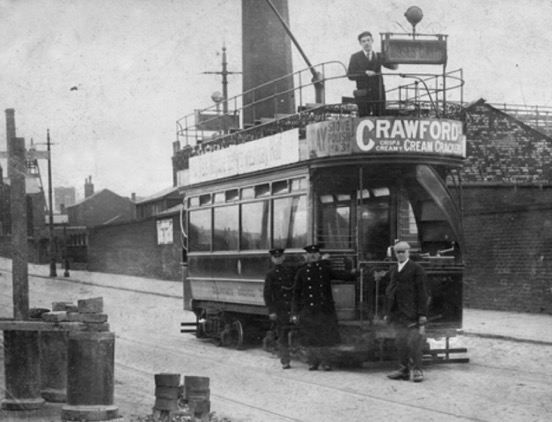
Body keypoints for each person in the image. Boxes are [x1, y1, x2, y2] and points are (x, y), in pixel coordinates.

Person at [291, 244, 356, 371]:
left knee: (326, 337)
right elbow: (296, 293)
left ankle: (326, 362)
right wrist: (294, 313)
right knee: (311, 338)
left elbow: (341, 275)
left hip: (324, 310)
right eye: (310, 254)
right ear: (307, 256)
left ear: (319, 255)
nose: (313, 255)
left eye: (315, 253)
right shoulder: (302, 272)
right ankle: (313, 362)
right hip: (309, 310)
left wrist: (354, 272)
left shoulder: (325, 269)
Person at [384, 241, 429, 383]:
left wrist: (422, 313)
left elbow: (423, 293)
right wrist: (388, 312)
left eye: (403, 251)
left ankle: (417, 370)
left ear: (408, 252)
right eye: (398, 252)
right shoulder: (394, 270)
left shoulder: (417, 269)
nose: (401, 254)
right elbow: (390, 292)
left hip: (412, 313)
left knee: (414, 342)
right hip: (398, 313)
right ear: (395, 254)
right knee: (400, 342)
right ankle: (403, 370)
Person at [347, 31, 398, 117]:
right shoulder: (355, 57)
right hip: (363, 94)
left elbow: (394, 66)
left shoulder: (378, 56)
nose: (366, 43)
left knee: (380, 116)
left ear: (372, 41)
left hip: (378, 93)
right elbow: (350, 75)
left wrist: (391, 53)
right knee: (364, 117)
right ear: (360, 43)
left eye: (368, 40)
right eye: (363, 41)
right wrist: (364, 73)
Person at [263, 248, 297, 369]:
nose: (278, 259)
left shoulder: (290, 271)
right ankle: (285, 360)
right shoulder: (270, 274)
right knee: (283, 335)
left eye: (280, 256)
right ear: (272, 259)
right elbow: (267, 295)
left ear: (283, 257)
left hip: (292, 307)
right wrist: (271, 311)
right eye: (275, 257)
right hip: (280, 309)